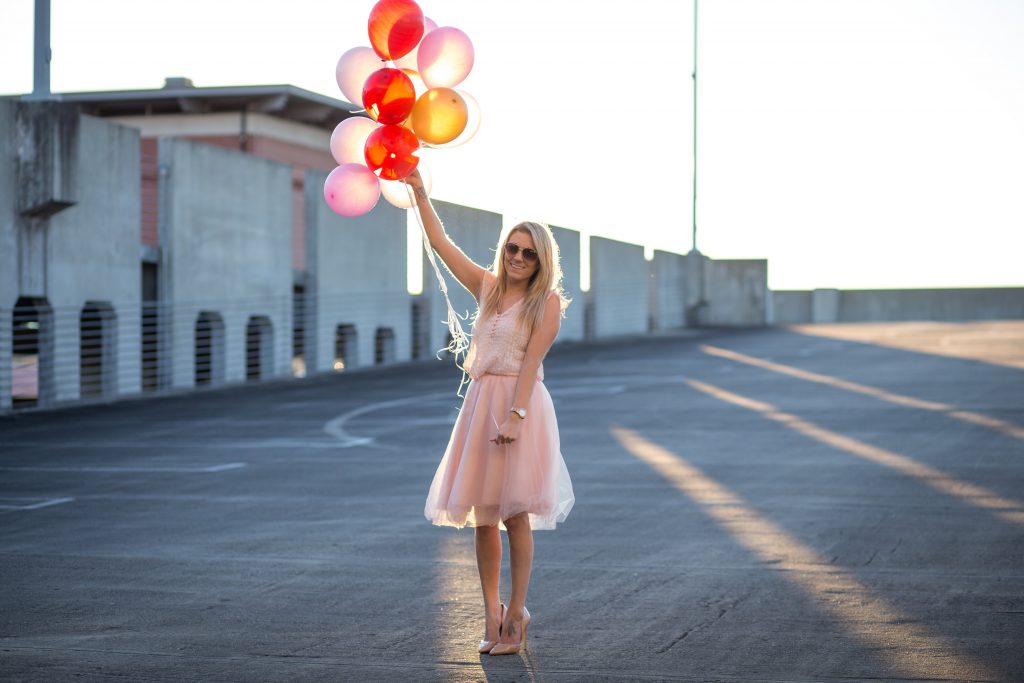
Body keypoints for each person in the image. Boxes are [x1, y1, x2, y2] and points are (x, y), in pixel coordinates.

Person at [405, 169, 575, 656]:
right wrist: (419, 193)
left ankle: (517, 614)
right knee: (484, 518)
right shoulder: (488, 287)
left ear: (542, 260)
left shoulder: (547, 303)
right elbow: (440, 243)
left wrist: (516, 417)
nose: (518, 258)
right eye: (512, 249)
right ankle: (490, 612)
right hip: (481, 405)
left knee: (515, 515)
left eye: (528, 252)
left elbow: (531, 363)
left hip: (520, 407)